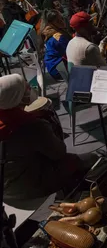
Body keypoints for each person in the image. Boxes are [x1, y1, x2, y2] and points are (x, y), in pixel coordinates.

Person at [0, 74, 97, 202]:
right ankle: (74, 201)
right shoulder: (31, 126)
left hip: (5, 190)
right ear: (16, 96)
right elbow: (59, 153)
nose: (28, 89)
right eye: (24, 88)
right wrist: (47, 127)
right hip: (28, 188)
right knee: (91, 158)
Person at [40, 9, 71, 80]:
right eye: (58, 21)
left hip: (52, 66)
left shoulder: (48, 32)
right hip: (59, 70)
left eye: (62, 19)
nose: (62, 22)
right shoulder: (58, 36)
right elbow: (71, 51)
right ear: (50, 23)